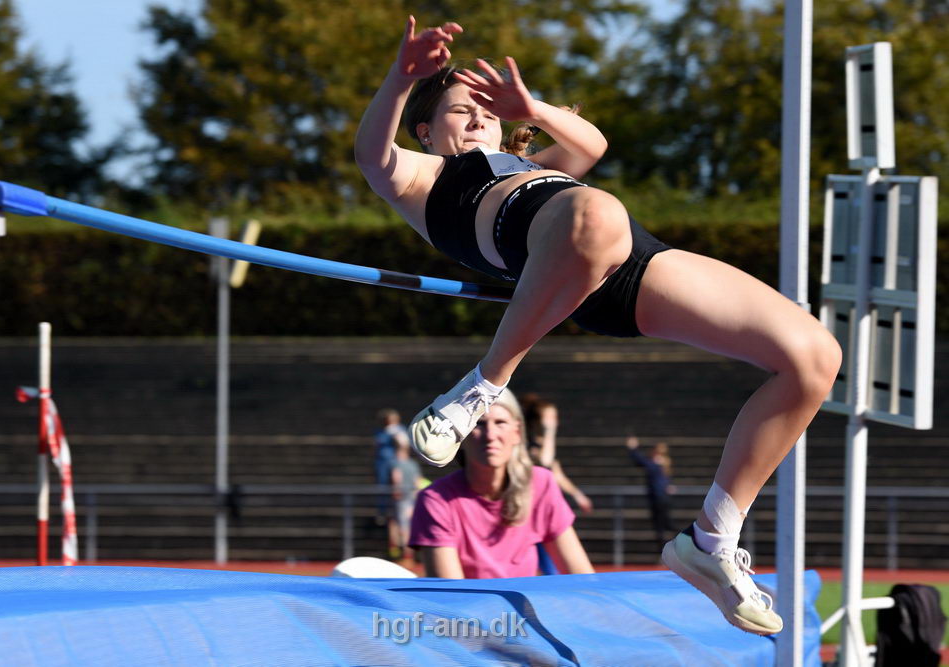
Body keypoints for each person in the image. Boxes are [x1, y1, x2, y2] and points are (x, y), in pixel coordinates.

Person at [355, 16, 841, 634]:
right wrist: (402, 77)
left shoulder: (526, 161)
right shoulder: (423, 178)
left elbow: (592, 145)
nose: (478, 117)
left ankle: (712, 539)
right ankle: (480, 387)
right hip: (573, 248)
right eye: (460, 110)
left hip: (633, 264)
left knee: (814, 357)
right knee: (597, 211)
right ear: (426, 130)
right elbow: (371, 154)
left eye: (486, 110)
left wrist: (534, 108)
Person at [408, 388, 594, 578]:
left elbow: (583, 578)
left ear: (517, 432)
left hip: (523, 598)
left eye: (500, 423)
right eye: (479, 424)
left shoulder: (541, 484)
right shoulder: (435, 500)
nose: (491, 435)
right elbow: (451, 592)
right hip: (469, 599)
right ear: (460, 434)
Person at [520, 393, 593, 513]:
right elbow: (545, 461)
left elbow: (558, 475)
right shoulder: (530, 444)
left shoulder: (544, 443)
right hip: (529, 502)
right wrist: (550, 431)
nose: (554, 421)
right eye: (549, 417)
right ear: (539, 420)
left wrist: (578, 495)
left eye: (554, 416)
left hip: (543, 501)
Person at [626, 436, 676, 551]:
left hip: (658, 498)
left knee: (661, 525)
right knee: (665, 523)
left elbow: (641, 461)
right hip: (662, 498)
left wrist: (633, 448)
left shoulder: (656, 464)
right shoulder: (664, 464)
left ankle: (665, 549)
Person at [388, 433, 422, 561]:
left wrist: (396, 491)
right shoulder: (413, 464)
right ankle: (407, 554)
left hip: (401, 499)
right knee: (407, 525)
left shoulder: (396, 464)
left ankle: (406, 555)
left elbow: (396, 478)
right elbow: (418, 482)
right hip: (411, 499)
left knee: (402, 527)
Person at [373, 409, 409, 524]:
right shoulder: (380, 431)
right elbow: (377, 444)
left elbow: (404, 445)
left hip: (396, 462)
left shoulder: (400, 429)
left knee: (398, 486)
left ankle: (399, 510)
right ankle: (382, 511)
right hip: (383, 462)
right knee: (382, 486)